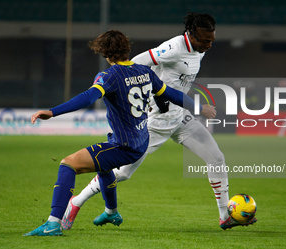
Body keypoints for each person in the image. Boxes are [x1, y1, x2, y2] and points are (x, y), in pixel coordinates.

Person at [62, 12, 257, 231]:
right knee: (124, 173)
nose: (209, 45)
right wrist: (152, 95)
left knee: (217, 158)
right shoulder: (173, 48)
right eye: (204, 40)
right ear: (191, 35)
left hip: (181, 118)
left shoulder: (199, 50)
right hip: (155, 122)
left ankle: (224, 216)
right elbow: (134, 65)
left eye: (212, 40)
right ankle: (76, 201)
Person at [23, 30, 215, 236]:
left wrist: (52, 112)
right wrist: (197, 107)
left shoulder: (109, 76)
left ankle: (52, 224)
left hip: (124, 145)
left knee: (68, 164)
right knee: (104, 168)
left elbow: (88, 98)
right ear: (127, 48)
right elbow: (171, 94)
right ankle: (111, 212)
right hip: (140, 140)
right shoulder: (145, 71)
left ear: (104, 53)